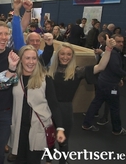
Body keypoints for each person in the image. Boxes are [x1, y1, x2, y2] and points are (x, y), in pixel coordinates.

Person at [47, 35, 115, 164]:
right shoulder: (49, 72)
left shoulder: (77, 72)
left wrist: (109, 49)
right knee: (49, 139)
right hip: (48, 109)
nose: (65, 57)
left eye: (68, 54)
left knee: (63, 142)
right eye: (62, 54)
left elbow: (100, 67)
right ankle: (48, 161)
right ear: (58, 55)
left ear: (72, 56)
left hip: (65, 110)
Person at [8, 45, 66, 164]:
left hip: (38, 129)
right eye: (27, 58)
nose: (31, 62)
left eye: (34, 58)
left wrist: (60, 128)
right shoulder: (14, 78)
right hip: (19, 129)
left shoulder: (45, 79)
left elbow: (54, 104)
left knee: (33, 161)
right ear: (21, 59)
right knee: (20, 161)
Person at [82, 34, 126, 135]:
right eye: (118, 42)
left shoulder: (115, 53)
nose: (121, 44)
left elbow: (111, 69)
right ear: (112, 41)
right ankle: (117, 129)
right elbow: (116, 69)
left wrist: (119, 78)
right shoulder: (114, 54)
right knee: (115, 107)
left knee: (96, 103)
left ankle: (86, 123)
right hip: (110, 85)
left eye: (122, 42)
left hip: (103, 82)